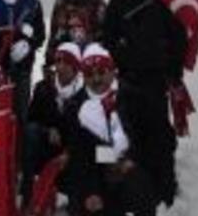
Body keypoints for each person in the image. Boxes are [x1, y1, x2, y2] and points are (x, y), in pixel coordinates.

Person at [102, 0, 185, 207]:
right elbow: (108, 37)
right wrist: (120, 53)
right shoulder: (117, 0)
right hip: (128, 80)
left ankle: (166, 187)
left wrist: (173, 69)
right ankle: (138, 190)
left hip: (156, 79)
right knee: (132, 135)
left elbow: (178, 35)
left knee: (159, 134)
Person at [63, 43, 158, 216]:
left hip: (131, 168)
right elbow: (80, 154)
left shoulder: (133, 98)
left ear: (112, 71)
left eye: (101, 72)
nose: (96, 79)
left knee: (140, 187)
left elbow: (149, 140)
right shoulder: (75, 107)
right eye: (90, 74)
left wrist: (130, 160)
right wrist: (91, 191)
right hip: (95, 173)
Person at [20, 42, 84, 205]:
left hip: (73, 152)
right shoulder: (43, 88)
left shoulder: (85, 95)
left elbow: (88, 133)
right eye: (58, 62)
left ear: (75, 67)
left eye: (66, 63)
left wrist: (69, 152)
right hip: (47, 146)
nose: (60, 67)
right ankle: (28, 194)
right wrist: (47, 130)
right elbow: (31, 120)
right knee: (31, 131)